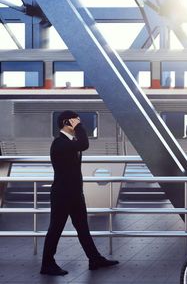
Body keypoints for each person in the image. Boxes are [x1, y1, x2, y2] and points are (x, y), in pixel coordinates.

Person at [41, 111, 119, 276]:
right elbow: (85, 144)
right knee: (55, 229)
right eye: (76, 121)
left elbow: (79, 147)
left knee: (83, 228)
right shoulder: (59, 143)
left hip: (75, 193)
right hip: (62, 194)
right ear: (66, 122)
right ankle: (47, 264)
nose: (79, 123)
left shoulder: (71, 141)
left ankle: (94, 258)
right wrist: (80, 127)